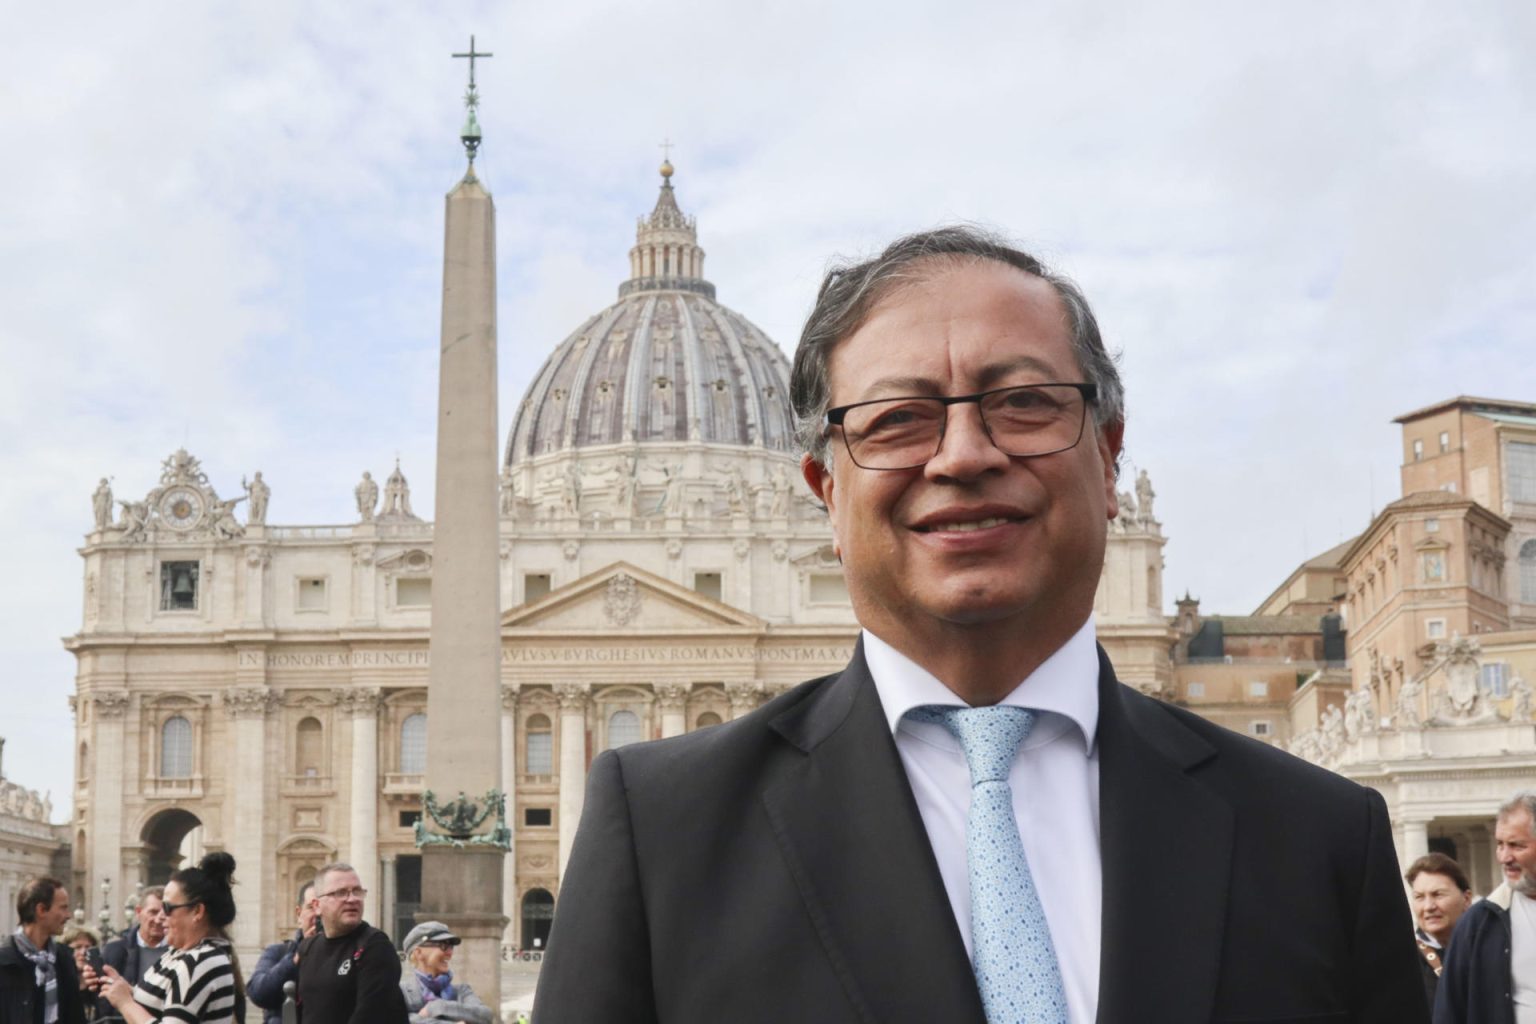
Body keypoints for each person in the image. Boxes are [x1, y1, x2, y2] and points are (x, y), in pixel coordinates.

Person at [533, 226, 1429, 1023]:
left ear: (1111, 459)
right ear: (824, 494)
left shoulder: (1321, 837)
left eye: (1025, 404)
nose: (964, 454)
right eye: (897, 420)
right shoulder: (659, 833)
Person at [97, 854, 244, 1024]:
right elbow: (160, 1004)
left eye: (167, 907)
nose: (161, 916)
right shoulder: (180, 953)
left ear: (197, 911)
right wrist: (122, 989)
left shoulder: (198, 962)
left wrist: (125, 1003)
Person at [1435, 790, 1536, 1024]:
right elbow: (1450, 1010)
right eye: (1500, 844)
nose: (1504, 857)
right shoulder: (1479, 923)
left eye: (1516, 845)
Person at [293, 863, 405, 1023]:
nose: (352, 899)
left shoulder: (375, 946)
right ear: (317, 906)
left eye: (357, 891)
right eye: (340, 893)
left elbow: (371, 1016)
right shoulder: (307, 948)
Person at [0, 876, 88, 1023]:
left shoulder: (64, 958)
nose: (68, 915)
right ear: (41, 910)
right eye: (63, 907)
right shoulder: (5, 963)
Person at [1406, 853, 1473, 1007]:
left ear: (1467, 899)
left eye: (1438, 895)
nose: (1429, 907)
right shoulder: (1402, 960)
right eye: (1419, 897)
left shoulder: (1487, 951)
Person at [246, 883, 317, 1024]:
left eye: (322, 908)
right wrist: (295, 959)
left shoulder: (345, 955)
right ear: (299, 914)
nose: (317, 915)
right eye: (311, 907)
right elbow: (258, 993)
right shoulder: (278, 952)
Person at [397, 922, 491, 1024]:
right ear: (419, 953)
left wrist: (437, 1007)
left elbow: (485, 1015)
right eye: (443, 946)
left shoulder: (462, 991)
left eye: (451, 946)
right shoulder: (401, 992)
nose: (450, 953)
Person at [96, 888, 168, 1018]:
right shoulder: (114, 951)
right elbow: (102, 1000)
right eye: (153, 912)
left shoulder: (180, 953)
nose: (159, 919)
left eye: (165, 913)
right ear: (139, 912)